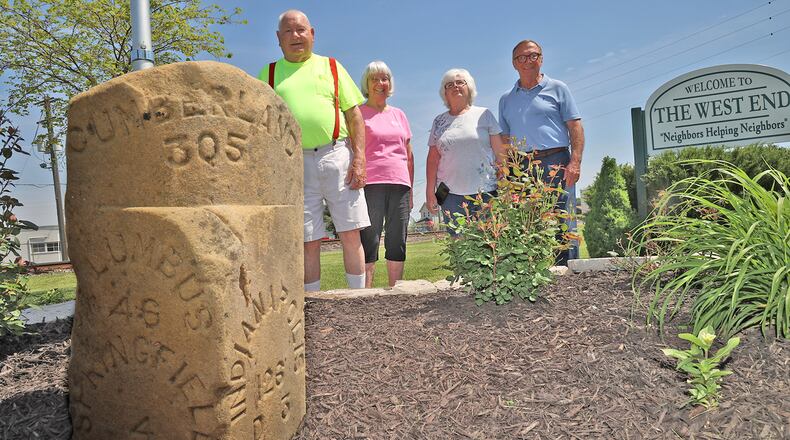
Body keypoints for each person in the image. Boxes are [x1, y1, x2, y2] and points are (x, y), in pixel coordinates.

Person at [259, 10, 369, 290]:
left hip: (337, 157)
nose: (295, 36)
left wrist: (360, 159)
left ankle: (357, 299)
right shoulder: (268, 74)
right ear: (278, 38)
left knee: (350, 231)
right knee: (308, 239)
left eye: (301, 30)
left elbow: (354, 115)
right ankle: (313, 303)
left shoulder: (332, 67)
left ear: (312, 34)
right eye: (288, 31)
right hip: (293, 164)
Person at [498, 39, 585, 265]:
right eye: (522, 57)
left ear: (541, 58)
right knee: (526, 222)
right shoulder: (506, 99)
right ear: (514, 63)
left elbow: (575, 126)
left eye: (533, 55)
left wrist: (575, 162)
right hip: (522, 169)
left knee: (562, 219)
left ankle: (568, 273)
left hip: (556, 161)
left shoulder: (558, 88)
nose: (528, 61)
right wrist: (507, 173)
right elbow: (505, 140)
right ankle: (534, 273)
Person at [426, 68, 505, 235]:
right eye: (450, 85)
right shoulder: (439, 121)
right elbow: (432, 159)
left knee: (487, 242)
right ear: (444, 93)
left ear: (469, 88)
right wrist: (429, 191)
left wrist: (505, 183)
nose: (455, 86)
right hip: (449, 194)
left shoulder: (484, 114)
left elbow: (500, 154)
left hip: (485, 192)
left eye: (460, 82)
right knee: (458, 246)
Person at [358, 61, 414, 288]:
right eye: (375, 79)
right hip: (370, 183)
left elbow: (409, 154)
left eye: (384, 79)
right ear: (367, 84)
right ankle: (366, 293)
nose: (380, 83)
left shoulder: (400, 115)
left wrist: (410, 189)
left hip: (400, 183)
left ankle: (395, 290)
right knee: (369, 238)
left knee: (397, 239)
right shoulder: (358, 113)